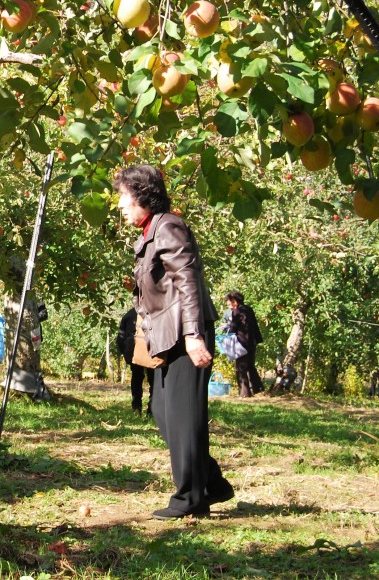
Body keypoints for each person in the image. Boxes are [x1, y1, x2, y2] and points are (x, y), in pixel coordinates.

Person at [115, 165, 233, 520]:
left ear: (142, 196)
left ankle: (189, 498)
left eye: (124, 196)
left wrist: (194, 336)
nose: (120, 204)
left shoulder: (168, 227)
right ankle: (211, 483)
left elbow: (188, 282)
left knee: (183, 417)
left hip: (184, 334)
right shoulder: (152, 230)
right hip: (167, 337)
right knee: (162, 412)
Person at [225, 291, 264, 397]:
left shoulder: (237, 311)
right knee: (251, 365)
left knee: (241, 367)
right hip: (252, 341)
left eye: (229, 302)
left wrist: (227, 329)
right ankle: (258, 388)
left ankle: (244, 393)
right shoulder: (248, 309)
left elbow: (233, 327)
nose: (228, 305)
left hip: (242, 343)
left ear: (235, 302)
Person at [116, 308, 154, 416]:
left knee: (137, 377)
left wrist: (125, 352)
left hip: (134, 351)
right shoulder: (155, 312)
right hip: (151, 350)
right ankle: (151, 409)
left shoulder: (130, 314)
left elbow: (120, 338)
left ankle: (136, 407)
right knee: (153, 379)